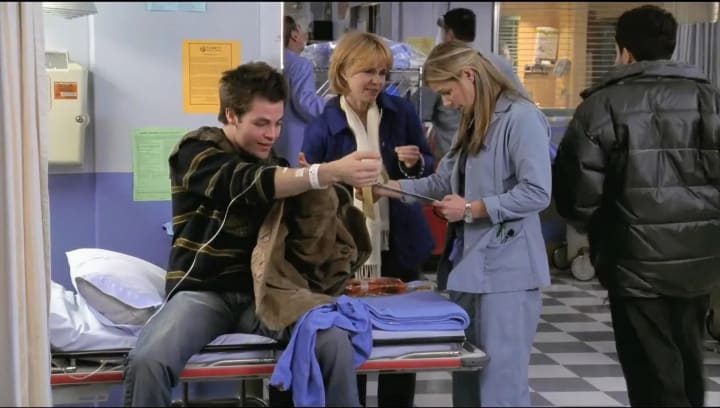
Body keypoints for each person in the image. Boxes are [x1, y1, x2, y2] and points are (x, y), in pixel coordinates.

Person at [122, 61, 382, 407]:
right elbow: (244, 182)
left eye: (278, 123)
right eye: (261, 123)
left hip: (266, 294)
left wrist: (320, 194)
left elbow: (305, 240)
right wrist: (320, 173)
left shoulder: (277, 167)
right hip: (204, 293)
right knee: (149, 360)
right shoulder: (194, 152)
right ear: (231, 115)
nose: (271, 134)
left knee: (333, 341)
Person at [552, 5, 720, 406]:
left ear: (624, 51)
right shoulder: (710, 99)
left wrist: (589, 227)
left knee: (651, 369)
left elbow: (577, 193)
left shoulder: (603, 104)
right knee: (688, 358)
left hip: (632, 259)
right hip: (699, 258)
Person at [371, 40, 552, 406]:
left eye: (447, 91)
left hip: (509, 273)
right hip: (469, 267)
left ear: (468, 75)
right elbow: (444, 181)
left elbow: (537, 192)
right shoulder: (472, 120)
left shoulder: (521, 118)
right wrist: (388, 188)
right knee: (467, 380)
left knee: (500, 384)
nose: (448, 102)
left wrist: (472, 208)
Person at [300, 31, 436, 407]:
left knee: (401, 345)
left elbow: (426, 168)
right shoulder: (322, 122)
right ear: (343, 72)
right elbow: (310, 183)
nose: (376, 81)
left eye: (382, 73)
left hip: (399, 243)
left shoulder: (401, 113)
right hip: (345, 249)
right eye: (367, 72)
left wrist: (415, 163)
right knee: (349, 341)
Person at [422, 7, 528, 161]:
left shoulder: (441, 69)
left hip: (458, 156)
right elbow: (521, 99)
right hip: (485, 156)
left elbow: (420, 112)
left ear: (449, 33)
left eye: (447, 92)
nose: (447, 102)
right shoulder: (498, 63)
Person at [276, 15, 326, 166]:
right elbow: (305, 103)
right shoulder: (300, 64)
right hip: (294, 140)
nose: (305, 35)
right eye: (302, 30)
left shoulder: (276, 60)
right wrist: (331, 105)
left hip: (275, 136)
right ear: (294, 34)